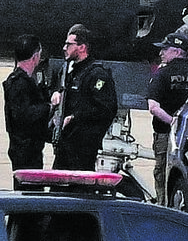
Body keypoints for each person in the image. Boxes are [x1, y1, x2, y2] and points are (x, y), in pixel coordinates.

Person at [146, 28, 188, 205]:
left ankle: (164, 208)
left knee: (163, 173)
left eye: (165, 49)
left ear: (177, 51)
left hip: (165, 134)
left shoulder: (162, 74)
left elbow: (153, 107)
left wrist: (173, 122)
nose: (161, 53)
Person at [50, 24, 118, 171]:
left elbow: (105, 109)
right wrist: (56, 93)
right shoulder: (70, 72)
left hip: (83, 147)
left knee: (79, 182)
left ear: (82, 47)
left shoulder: (97, 74)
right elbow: (63, 91)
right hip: (66, 144)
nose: (64, 48)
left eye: (69, 44)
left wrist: (75, 117)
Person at [3, 35, 51, 180]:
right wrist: (48, 107)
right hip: (25, 149)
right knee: (29, 187)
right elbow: (24, 115)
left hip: (29, 148)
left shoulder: (26, 81)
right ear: (35, 57)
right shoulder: (19, 83)